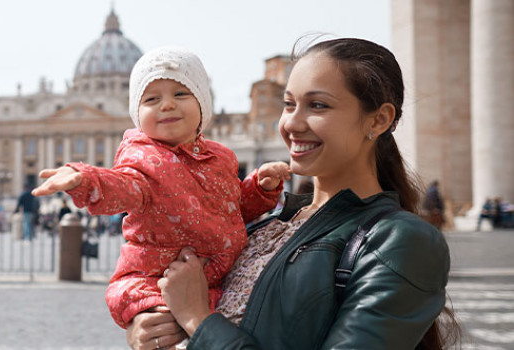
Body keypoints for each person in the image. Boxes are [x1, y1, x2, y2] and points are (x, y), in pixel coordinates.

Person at [128, 38, 458, 349]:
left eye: (317, 105)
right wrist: (151, 327)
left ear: (379, 119)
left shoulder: (401, 241)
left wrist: (197, 318)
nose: (291, 123)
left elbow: (201, 313)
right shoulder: (263, 220)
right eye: (288, 105)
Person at [32, 46, 288, 330]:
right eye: (152, 98)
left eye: (180, 94)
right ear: (137, 115)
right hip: (156, 281)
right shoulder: (142, 158)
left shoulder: (222, 157)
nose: (167, 105)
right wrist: (86, 178)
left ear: (203, 105)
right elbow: (123, 185)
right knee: (168, 333)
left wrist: (260, 189)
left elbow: (232, 210)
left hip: (219, 279)